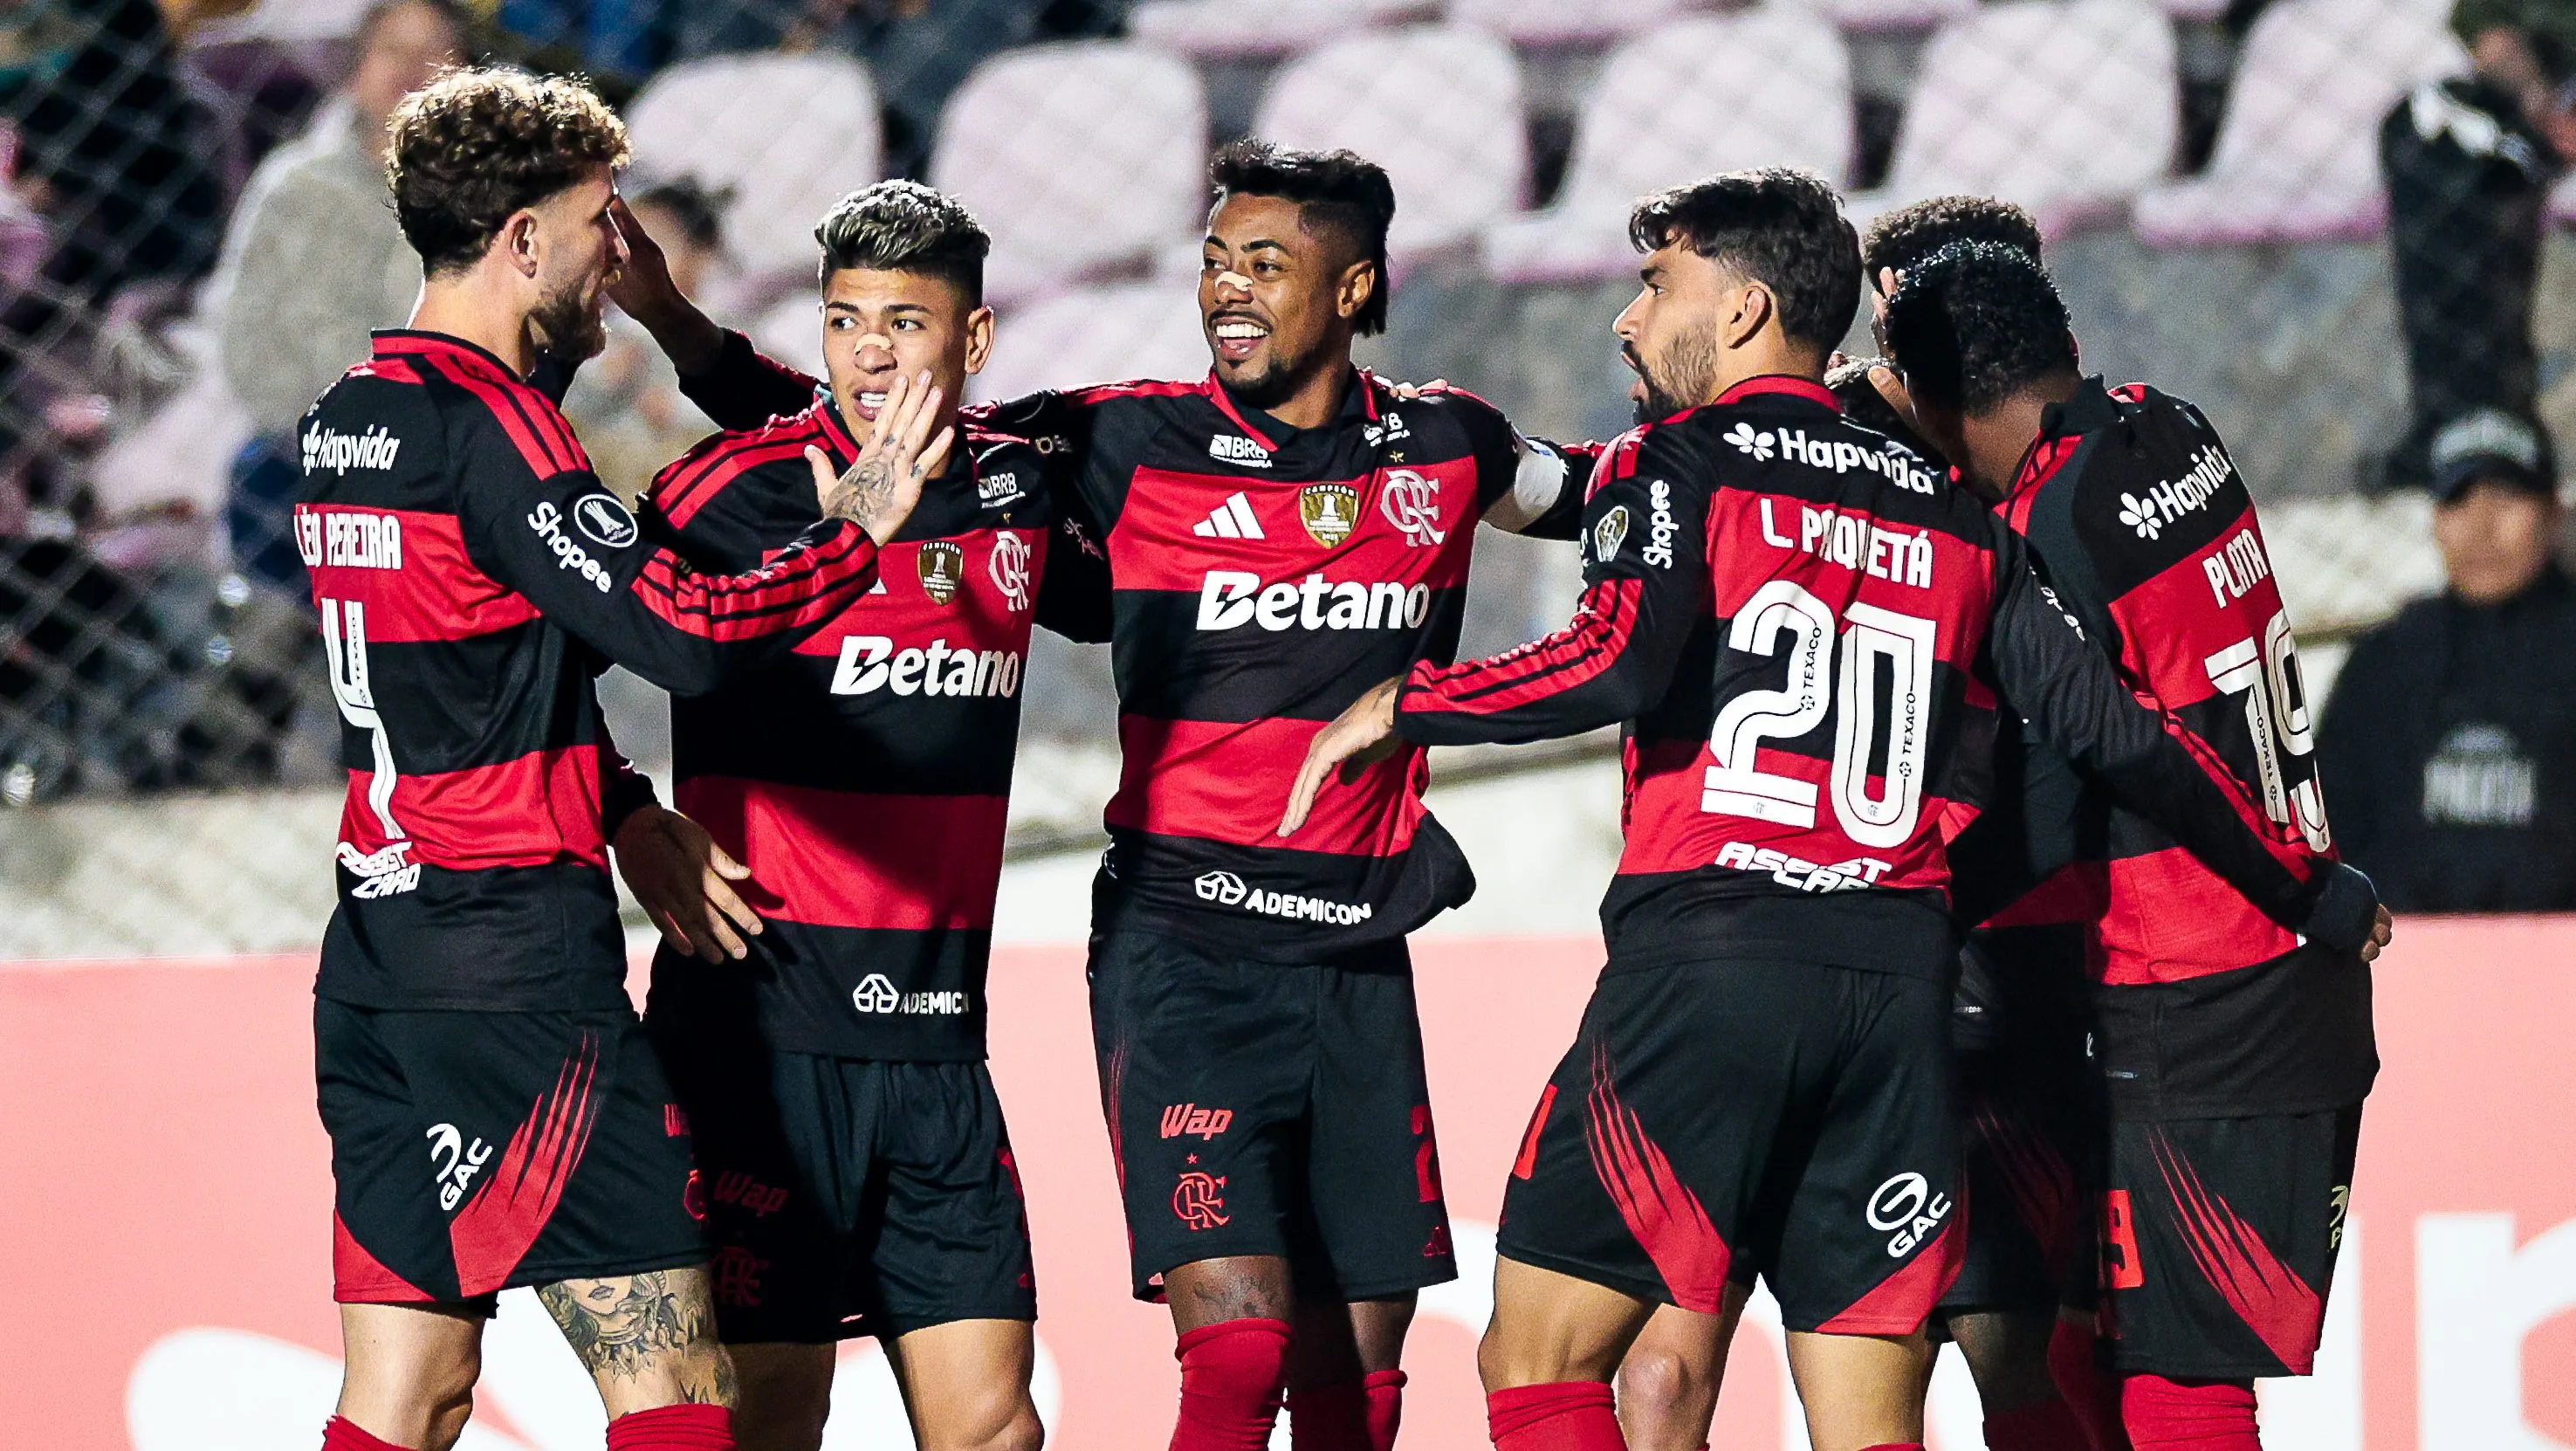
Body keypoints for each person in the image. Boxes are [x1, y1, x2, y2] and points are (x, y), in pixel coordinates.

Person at [1282, 166, 2387, 1451]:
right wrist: (2309, 877)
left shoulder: (1713, 467)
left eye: (1652, 287)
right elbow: (2111, 726)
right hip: (1914, 979)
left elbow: (1622, 642)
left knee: (1551, 1362)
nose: (1627, 321)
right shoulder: (2053, 479)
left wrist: (1405, 694)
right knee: (1938, 1383)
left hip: (1780, 966)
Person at [618, 138, 1594, 1451]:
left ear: (1355, 287)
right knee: (1222, 1347)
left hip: (1339, 957)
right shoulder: (1112, 441)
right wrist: (628, 810)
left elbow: (1602, 496)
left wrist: (1802, 439)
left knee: (1347, 1398)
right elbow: (861, 416)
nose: (1228, 289)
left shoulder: (1442, 444)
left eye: (1265, 262)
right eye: (1212, 261)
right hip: (1144, 950)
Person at [298, 66, 934, 1451]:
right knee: (680, 1399)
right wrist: (858, 528)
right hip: (512, 969)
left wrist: (627, 805)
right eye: (601, 225)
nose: (617, 261)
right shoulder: (498, 428)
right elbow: (689, 635)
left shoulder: (349, 415)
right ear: (525, 236)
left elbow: (478, 671)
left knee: (405, 1395)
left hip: (379, 953)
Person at [1615, 192, 2122, 1451]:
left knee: (1694, 1363)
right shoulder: (2021, 499)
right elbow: (2111, 751)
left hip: (1859, 963)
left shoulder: (1892, 487)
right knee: (2013, 1365)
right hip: (1947, 970)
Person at [608, 179, 1108, 1451]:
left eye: (904, 321)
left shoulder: (1021, 489)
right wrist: (625, 813)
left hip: (939, 1045)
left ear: (973, 341)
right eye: (845, 321)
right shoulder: (725, 492)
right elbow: (548, 658)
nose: (872, 350)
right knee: (773, 1412)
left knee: (994, 1425)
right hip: (758, 1038)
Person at [1880, 241, 2384, 1451]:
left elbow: (2083, 782)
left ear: (1945, 397)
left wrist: (1901, 907)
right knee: (2096, 1344)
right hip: (2278, 967)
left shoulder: (2048, 522)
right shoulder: (2169, 430)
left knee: (2177, 1382)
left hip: (2206, 984)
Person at [217, 0, 472, 593]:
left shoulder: (501, 198)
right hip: (318, 440)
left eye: (437, 52)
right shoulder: (298, 188)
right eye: (394, 50)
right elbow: (248, 345)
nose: (414, 68)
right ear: (356, 71)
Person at [2321, 408, 2576, 911]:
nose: (2482, 527)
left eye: (2506, 496)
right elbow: (2330, 840)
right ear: (2436, 519)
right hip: (2411, 967)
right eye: (2459, 498)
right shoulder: (2384, 666)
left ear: (2551, 513)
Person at [2380, 0, 2576, 490]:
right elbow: (2493, 36)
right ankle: (2464, 427)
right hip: (2539, 105)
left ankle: (2486, 430)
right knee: (2424, 131)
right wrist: (2532, 94)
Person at [562, 181, 724, 504]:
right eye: (622, 241)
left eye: (654, 243)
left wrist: (676, 408)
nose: (629, 257)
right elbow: (575, 407)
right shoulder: (600, 323)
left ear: (699, 259)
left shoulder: (717, 333)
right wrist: (604, 381)